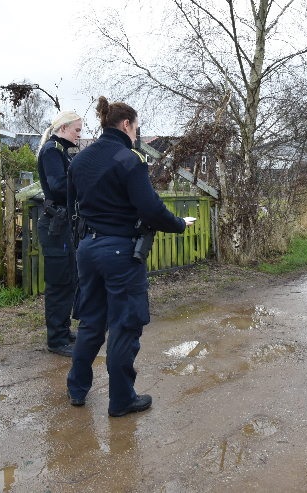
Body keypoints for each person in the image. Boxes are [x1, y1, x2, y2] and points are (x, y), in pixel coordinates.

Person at [66, 96, 195, 417]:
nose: (137, 133)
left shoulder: (80, 160)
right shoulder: (129, 159)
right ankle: (122, 399)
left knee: (91, 322)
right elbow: (149, 207)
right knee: (125, 324)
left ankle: (77, 389)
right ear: (126, 125)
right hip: (120, 252)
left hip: (88, 248)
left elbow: (72, 205)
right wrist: (178, 224)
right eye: (136, 127)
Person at [36, 111, 83, 357]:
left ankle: (63, 331)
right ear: (63, 128)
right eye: (77, 130)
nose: (79, 134)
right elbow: (57, 185)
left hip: (63, 224)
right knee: (59, 282)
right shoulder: (52, 150)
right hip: (55, 225)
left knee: (68, 279)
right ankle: (56, 339)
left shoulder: (61, 151)